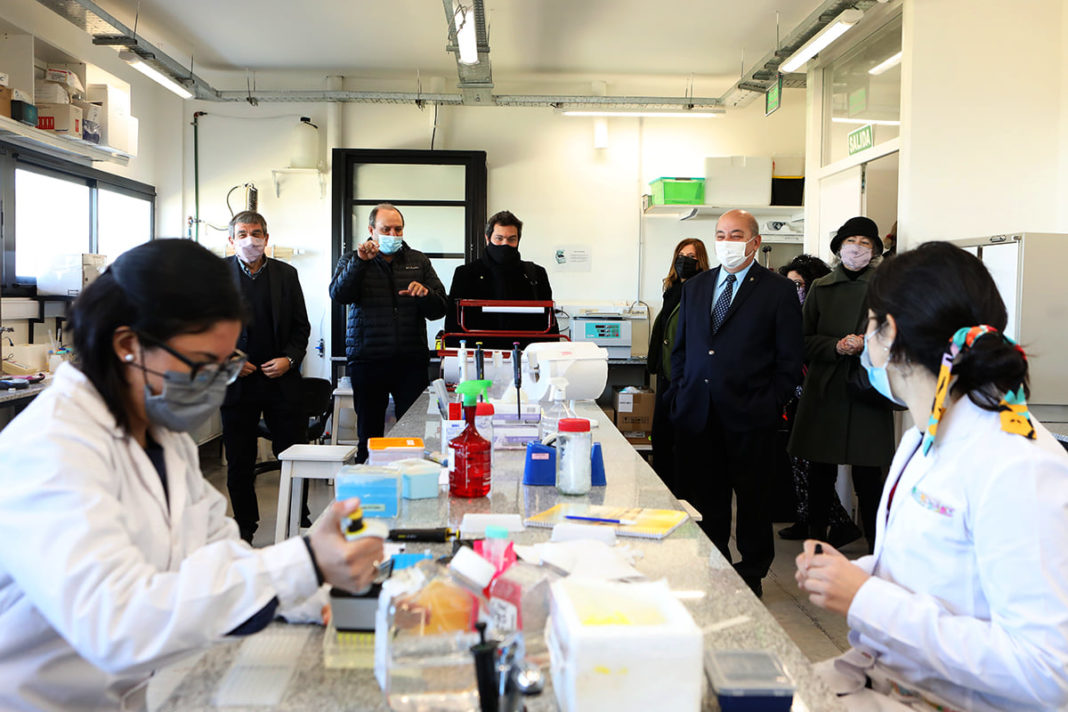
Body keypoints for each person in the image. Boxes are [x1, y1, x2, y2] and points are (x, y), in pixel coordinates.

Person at [0, 239, 383, 712]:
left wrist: (320, 588)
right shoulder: (51, 448)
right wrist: (304, 561)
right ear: (127, 345)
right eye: (202, 365)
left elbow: (215, 556)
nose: (213, 383)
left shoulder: (161, 434)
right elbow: (117, 625)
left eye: (223, 366)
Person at [796, 240, 1068, 711]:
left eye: (870, 323)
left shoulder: (1018, 463)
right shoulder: (926, 435)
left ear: (889, 332)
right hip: (885, 675)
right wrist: (851, 575)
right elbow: (939, 572)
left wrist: (866, 598)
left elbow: (1047, 672)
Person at [667, 209, 803, 597]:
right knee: (706, 497)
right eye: (721, 234)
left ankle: (752, 570)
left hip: (751, 413)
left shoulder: (777, 291)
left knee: (753, 499)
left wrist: (771, 401)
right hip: (699, 411)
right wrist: (680, 390)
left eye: (736, 234)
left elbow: (789, 359)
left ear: (755, 242)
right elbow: (682, 350)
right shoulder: (696, 287)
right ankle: (714, 564)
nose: (727, 242)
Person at [788, 217, 895, 554]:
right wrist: (835, 346)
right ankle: (816, 544)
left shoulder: (886, 289)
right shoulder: (820, 288)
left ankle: (878, 549)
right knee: (821, 473)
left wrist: (869, 343)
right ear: (839, 248)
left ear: (876, 250)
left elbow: (900, 338)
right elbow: (801, 341)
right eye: (852, 241)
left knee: (869, 477)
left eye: (866, 242)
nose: (857, 248)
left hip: (868, 389)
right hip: (826, 390)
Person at [330, 203, 448, 463]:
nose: (393, 235)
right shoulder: (352, 259)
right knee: (370, 437)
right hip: (367, 360)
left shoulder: (418, 261)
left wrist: (425, 295)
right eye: (386, 229)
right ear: (372, 230)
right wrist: (361, 263)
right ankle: (368, 492)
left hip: (410, 360)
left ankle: (413, 489)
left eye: (398, 229)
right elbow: (339, 295)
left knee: (414, 436)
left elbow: (440, 308)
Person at [221, 211, 311, 543]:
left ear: (266, 238)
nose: (250, 240)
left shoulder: (287, 275)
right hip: (237, 382)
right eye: (242, 234)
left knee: (294, 453)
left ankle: (299, 518)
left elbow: (302, 327)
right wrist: (227, 358)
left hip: (280, 380)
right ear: (231, 240)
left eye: (256, 234)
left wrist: (289, 359)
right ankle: (245, 526)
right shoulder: (216, 276)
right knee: (239, 461)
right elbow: (203, 328)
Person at [776, 254, 863, 546]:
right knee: (798, 461)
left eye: (798, 284)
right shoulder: (786, 310)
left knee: (811, 464)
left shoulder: (822, 309)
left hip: (819, 391)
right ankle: (806, 518)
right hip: (793, 390)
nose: (794, 291)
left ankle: (838, 523)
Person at [646, 238, 709, 494]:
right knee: (660, 437)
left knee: (680, 441)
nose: (685, 260)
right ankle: (664, 491)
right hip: (666, 374)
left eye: (691, 256)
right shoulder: (671, 290)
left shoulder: (704, 290)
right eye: (681, 255)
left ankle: (681, 495)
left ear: (700, 260)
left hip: (686, 376)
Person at [444, 210, 556, 349]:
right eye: (499, 238)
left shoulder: (536, 274)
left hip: (526, 357)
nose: (505, 244)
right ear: (487, 238)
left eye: (511, 239)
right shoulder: (466, 274)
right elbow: (452, 323)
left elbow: (550, 323)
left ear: (518, 240)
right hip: (478, 357)